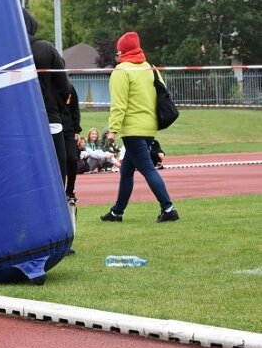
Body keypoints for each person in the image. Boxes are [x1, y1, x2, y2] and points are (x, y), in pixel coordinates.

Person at [100, 31, 179, 223]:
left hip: (132, 129)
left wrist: (113, 129)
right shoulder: (151, 69)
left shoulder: (121, 71)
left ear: (122, 51)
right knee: (126, 170)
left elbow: (119, 104)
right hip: (150, 127)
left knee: (148, 170)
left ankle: (168, 208)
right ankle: (117, 212)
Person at [22, 9, 70, 181]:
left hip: (19, 121)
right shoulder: (46, 48)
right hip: (50, 116)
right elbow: (65, 86)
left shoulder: (7, 51)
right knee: (57, 167)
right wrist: (58, 108)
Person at [62, 83, 82, 200]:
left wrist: (76, 129)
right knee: (60, 161)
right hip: (52, 129)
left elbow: (75, 109)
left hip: (69, 130)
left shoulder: (69, 88)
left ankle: (70, 190)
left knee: (72, 159)